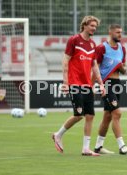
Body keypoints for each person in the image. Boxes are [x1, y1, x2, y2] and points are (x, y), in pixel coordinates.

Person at [52, 16, 105, 156]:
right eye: (92, 25)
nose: (94, 28)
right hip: (74, 83)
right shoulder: (74, 40)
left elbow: (94, 66)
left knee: (90, 116)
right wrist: (65, 82)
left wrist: (101, 83)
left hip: (87, 84)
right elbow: (65, 61)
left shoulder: (93, 45)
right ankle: (58, 135)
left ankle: (86, 149)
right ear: (85, 25)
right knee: (79, 115)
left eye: (95, 26)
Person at [93, 24, 127, 155]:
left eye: (121, 32)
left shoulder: (122, 49)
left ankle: (98, 147)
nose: (120, 34)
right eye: (117, 32)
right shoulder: (101, 48)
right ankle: (122, 146)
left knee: (107, 116)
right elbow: (95, 68)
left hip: (117, 83)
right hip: (106, 83)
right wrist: (94, 85)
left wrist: (121, 67)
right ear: (110, 32)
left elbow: (124, 70)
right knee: (117, 113)